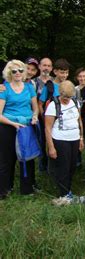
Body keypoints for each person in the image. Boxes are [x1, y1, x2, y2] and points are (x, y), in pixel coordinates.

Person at [0, 60, 39, 198]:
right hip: (8, 126)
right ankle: (4, 190)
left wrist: (35, 116)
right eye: (14, 71)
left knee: (27, 157)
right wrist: (13, 124)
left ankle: (27, 190)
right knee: (7, 158)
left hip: (26, 126)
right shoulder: (4, 88)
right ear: (9, 73)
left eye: (20, 70)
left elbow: (35, 108)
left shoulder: (29, 88)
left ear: (24, 72)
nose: (17, 73)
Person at [44, 81, 84, 202]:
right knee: (63, 167)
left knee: (72, 166)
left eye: (70, 96)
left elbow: (79, 120)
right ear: (60, 93)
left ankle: (68, 190)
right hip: (60, 140)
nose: (67, 99)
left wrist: (81, 137)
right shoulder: (53, 105)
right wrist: (51, 147)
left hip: (74, 138)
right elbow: (47, 128)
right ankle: (64, 194)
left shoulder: (76, 102)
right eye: (65, 97)